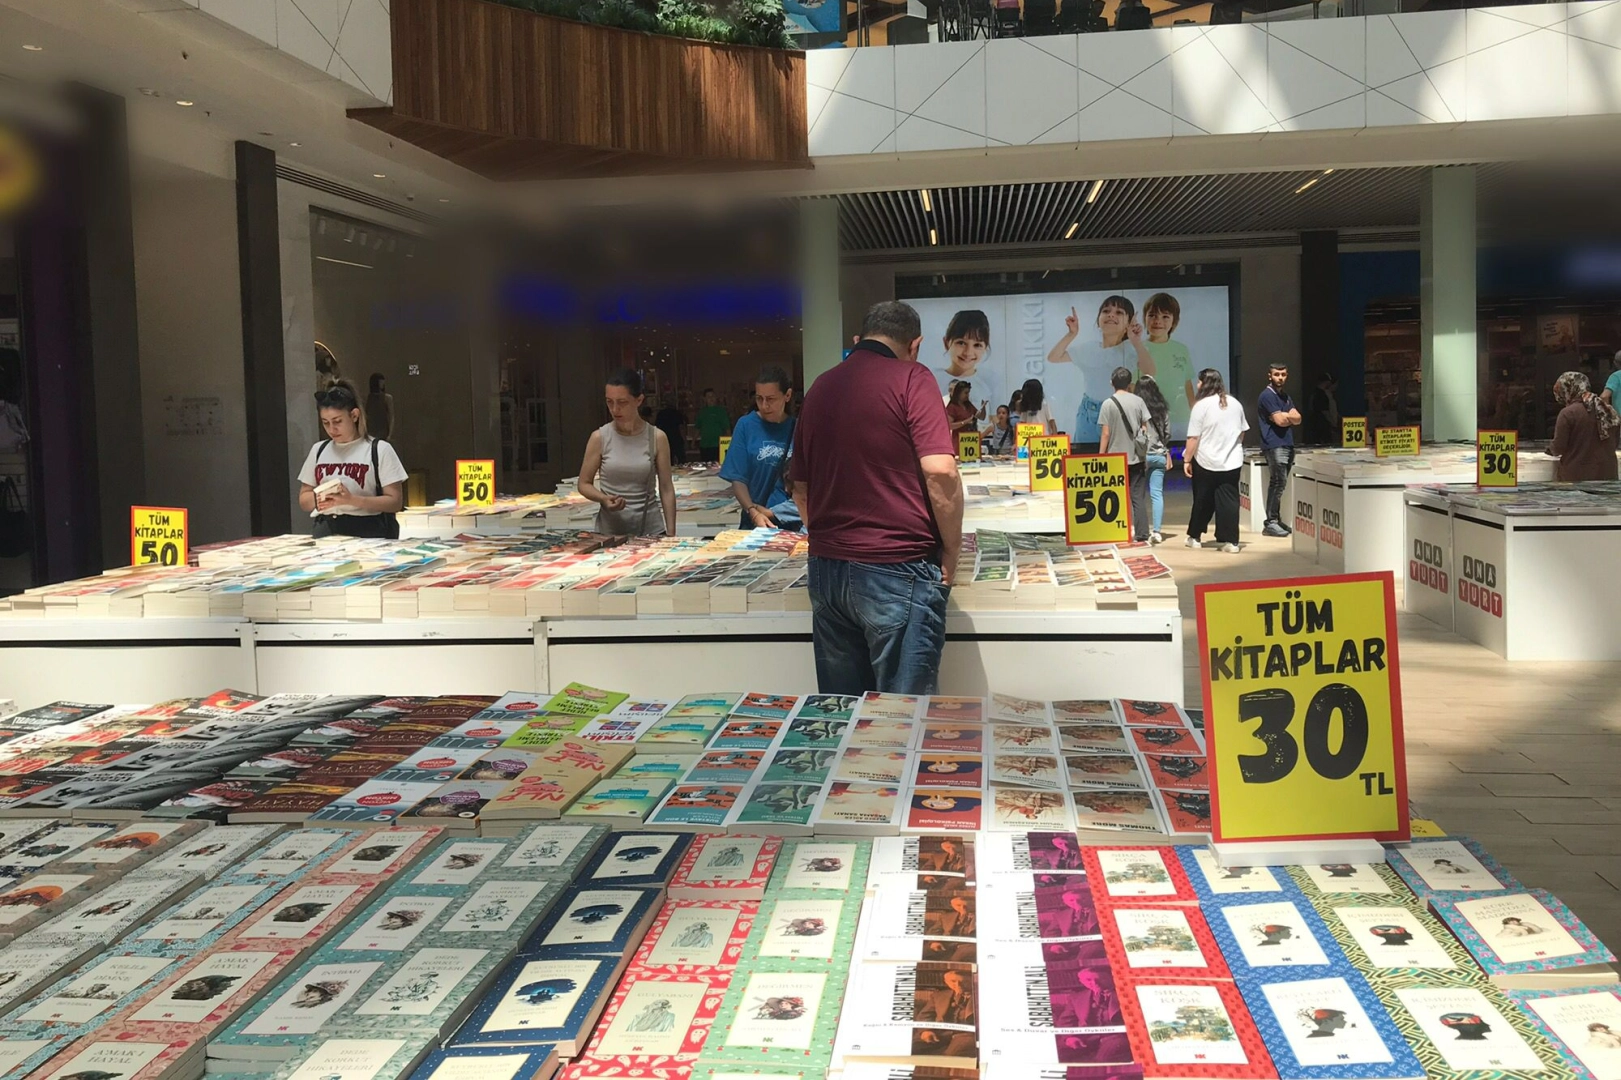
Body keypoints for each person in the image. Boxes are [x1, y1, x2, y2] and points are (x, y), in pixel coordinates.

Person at [790, 301, 962, 695]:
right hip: (897, 566)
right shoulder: (913, 377)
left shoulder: (820, 386)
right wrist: (952, 549)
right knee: (904, 716)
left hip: (827, 570)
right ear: (915, 344)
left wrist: (829, 538)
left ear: (860, 338)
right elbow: (941, 471)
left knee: (843, 712)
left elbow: (800, 487)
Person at [297, 383, 406, 539]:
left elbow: (395, 502)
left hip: (368, 529)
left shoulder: (379, 449)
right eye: (325, 422)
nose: (331, 429)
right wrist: (321, 498)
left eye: (337, 421)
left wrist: (352, 500)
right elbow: (304, 500)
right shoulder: (318, 450)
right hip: (326, 528)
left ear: (354, 415)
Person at [578, 369, 677, 536]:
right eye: (609, 402)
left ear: (639, 400)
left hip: (650, 529)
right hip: (610, 531)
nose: (615, 409)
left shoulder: (656, 437)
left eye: (622, 402)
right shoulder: (600, 437)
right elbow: (584, 483)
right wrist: (603, 498)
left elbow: (666, 488)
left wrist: (671, 533)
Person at [1045, 296, 1156, 445]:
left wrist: (1136, 342)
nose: (1111, 315)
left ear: (1129, 323)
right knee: (1086, 455)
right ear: (1098, 320)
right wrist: (1072, 334)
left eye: (1119, 312)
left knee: (1118, 457)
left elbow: (1150, 371)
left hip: (1120, 412)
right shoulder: (1089, 349)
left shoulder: (1132, 349)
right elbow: (1053, 357)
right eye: (1106, 311)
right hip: (1088, 414)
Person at [720, 366, 796, 529]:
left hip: (790, 520)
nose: (764, 405)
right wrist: (752, 511)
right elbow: (738, 478)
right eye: (759, 398)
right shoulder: (746, 425)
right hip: (755, 517)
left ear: (787, 395)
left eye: (771, 399)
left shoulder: (798, 428)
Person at [1184, 369, 1248, 553]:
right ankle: (1231, 541)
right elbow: (1242, 431)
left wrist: (1187, 460)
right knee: (1230, 501)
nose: (1197, 385)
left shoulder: (1201, 406)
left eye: (1199, 382)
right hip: (1232, 461)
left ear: (1206, 383)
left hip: (1205, 460)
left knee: (1202, 500)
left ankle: (1195, 536)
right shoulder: (1235, 403)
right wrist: (1232, 447)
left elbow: (1193, 437)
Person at [1096, 366, 1151, 542]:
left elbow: (1105, 433)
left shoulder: (1108, 404)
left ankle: (1118, 530)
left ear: (1111, 383)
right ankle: (1142, 533)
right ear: (1130, 383)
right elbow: (1144, 428)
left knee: (1115, 496)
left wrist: (1101, 455)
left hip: (1114, 458)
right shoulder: (1138, 401)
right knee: (1137, 497)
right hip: (1135, 457)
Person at [1141, 293, 1196, 433]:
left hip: (1181, 418)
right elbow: (1132, 387)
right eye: (1152, 315)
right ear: (1144, 318)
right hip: (1150, 420)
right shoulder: (1138, 349)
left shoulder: (1181, 349)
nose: (1158, 321)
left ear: (1174, 321)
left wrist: (1195, 416)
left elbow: (1188, 385)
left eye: (1165, 316)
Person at [1551, 371, 1620, 481]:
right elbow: (1615, 442)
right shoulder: (1608, 410)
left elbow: (1558, 447)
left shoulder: (1568, 413)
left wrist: (1549, 449)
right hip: (1608, 476)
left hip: (1576, 477)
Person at [1258, 363, 1301, 537]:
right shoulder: (1267, 395)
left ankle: (1276, 519)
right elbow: (1281, 421)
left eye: (1283, 374)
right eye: (1277, 374)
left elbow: (1298, 419)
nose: (1280, 377)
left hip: (1287, 443)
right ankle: (1271, 522)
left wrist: (1286, 416)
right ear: (1270, 376)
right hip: (1274, 444)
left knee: (1280, 483)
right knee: (1278, 482)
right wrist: (1287, 416)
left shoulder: (1285, 396)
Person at [931, 310, 998, 419]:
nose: (968, 352)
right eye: (961, 343)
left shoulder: (990, 381)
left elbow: (994, 421)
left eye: (977, 345)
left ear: (985, 347)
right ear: (946, 343)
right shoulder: (932, 379)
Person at [1137, 375, 1171, 545]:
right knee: (1157, 494)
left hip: (1140, 456)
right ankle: (1157, 531)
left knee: (1137, 495)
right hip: (1159, 455)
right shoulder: (1162, 409)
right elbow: (1167, 434)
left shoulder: (1136, 409)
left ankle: (1140, 529)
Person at [696, 388, 730, 463]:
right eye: (708, 397)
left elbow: (727, 428)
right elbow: (698, 428)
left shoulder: (721, 411)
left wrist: (730, 442)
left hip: (718, 445)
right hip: (705, 445)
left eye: (713, 396)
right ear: (704, 399)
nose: (711, 399)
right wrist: (693, 441)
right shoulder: (702, 412)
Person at [654, 394, 687, 466]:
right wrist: (684, 439)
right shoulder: (677, 413)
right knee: (681, 460)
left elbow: (657, 427)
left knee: (667, 460)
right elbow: (681, 427)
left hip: (665, 439)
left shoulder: (661, 414)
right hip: (676, 438)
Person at [1308, 373, 1340, 444]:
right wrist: (1332, 423)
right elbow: (1325, 411)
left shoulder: (1315, 393)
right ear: (1327, 382)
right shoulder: (1321, 394)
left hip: (1316, 423)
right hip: (1323, 424)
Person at [364, 373, 395, 441]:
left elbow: (391, 417)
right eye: (380, 382)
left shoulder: (387, 398)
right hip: (370, 431)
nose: (382, 384)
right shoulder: (367, 398)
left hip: (383, 431)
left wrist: (390, 434)